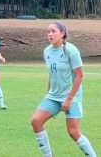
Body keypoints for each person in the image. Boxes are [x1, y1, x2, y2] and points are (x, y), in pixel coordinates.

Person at [31, 21, 96, 157]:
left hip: (72, 96)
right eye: (48, 31)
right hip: (53, 96)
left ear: (62, 33)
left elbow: (79, 76)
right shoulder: (47, 51)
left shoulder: (71, 50)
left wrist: (69, 99)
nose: (50, 34)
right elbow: (52, 73)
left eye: (53, 31)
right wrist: (49, 92)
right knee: (36, 121)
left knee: (73, 132)